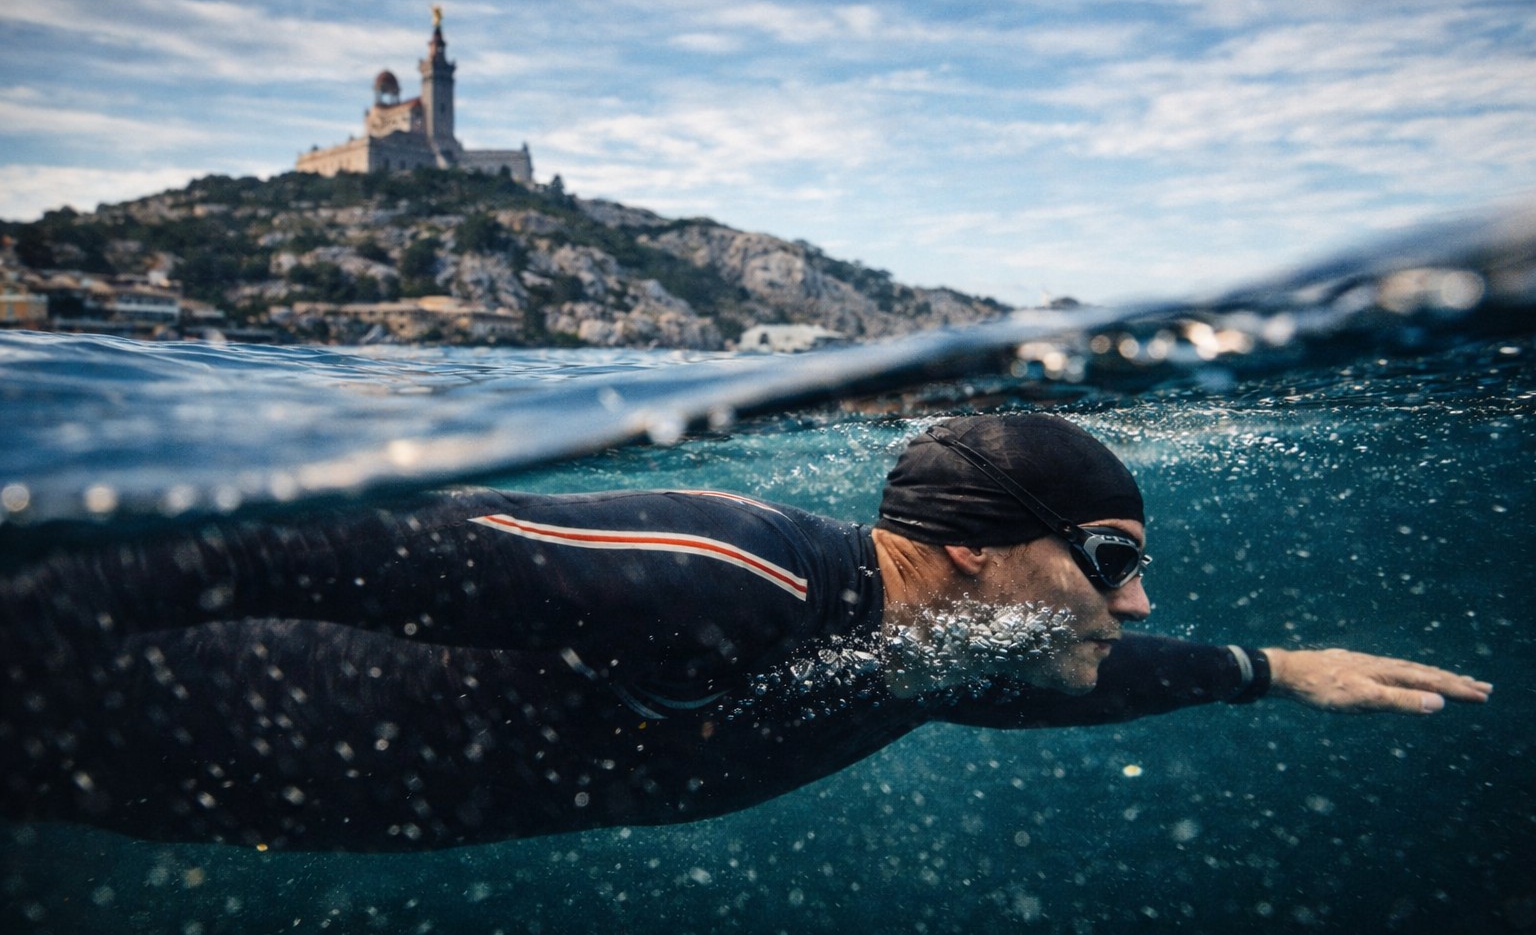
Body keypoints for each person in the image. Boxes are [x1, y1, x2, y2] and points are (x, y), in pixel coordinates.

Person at [0, 414, 1489, 852]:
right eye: (1110, 559)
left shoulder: (931, 653)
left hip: (132, 778)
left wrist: (1269, 673)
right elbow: (295, 543)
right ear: (973, 546)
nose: (1138, 602)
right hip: (84, 702)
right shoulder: (733, 575)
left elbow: (1060, 690)